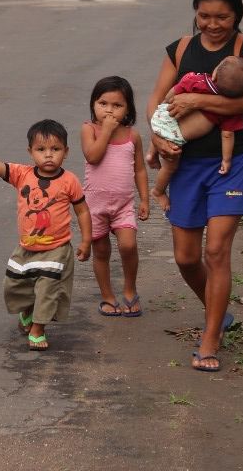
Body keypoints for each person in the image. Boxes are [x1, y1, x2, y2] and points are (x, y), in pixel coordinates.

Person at [147, 0, 243, 373]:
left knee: (216, 251)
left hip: (229, 164)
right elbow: (155, 99)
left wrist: (196, 99)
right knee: (185, 257)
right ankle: (217, 311)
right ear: (195, 13)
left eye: (222, 17)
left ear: (237, 15)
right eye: (205, 16)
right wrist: (157, 136)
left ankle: (210, 338)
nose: (213, 24)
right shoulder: (181, 49)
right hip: (185, 164)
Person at [0, 119, 91, 351]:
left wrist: (87, 239)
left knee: (47, 289)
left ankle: (38, 329)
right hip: (26, 248)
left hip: (57, 249)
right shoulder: (22, 174)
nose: (48, 155)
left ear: (66, 152)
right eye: (41, 149)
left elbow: (82, 211)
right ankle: (27, 312)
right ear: (30, 152)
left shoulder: (70, 181)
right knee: (15, 285)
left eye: (55, 149)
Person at [80, 76, 149, 318]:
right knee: (101, 251)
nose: (109, 110)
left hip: (123, 204)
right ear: (93, 104)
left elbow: (140, 170)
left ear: (128, 109)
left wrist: (144, 199)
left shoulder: (132, 136)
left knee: (128, 245)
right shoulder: (89, 130)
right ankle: (108, 296)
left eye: (117, 105)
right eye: (103, 104)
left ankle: (130, 290)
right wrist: (106, 131)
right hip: (94, 205)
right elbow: (92, 156)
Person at [150, 55, 243, 212]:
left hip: (162, 116)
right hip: (172, 134)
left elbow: (176, 89)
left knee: (161, 131)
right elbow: (227, 135)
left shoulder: (197, 80)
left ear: (215, 73)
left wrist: (164, 104)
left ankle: (151, 153)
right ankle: (158, 191)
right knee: (170, 167)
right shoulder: (228, 109)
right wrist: (226, 160)